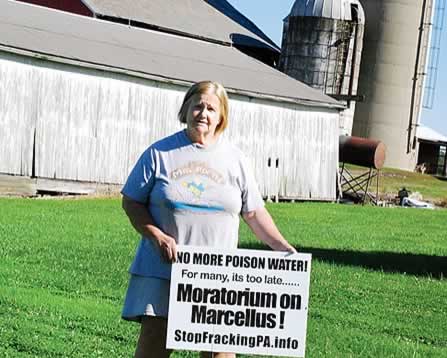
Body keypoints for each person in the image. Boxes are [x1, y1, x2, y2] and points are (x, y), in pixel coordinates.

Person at [121, 80, 297, 358]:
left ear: (221, 117)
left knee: (220, 355)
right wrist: (156, 236)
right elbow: (131, 201)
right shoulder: (159, 153)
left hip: (217, 276)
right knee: (153, 350)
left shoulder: (235, 159)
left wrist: (283, 248)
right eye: (198, 106)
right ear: (186, 109)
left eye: (211, 109)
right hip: (163, 270)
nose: (203, 113)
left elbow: (252, 212)